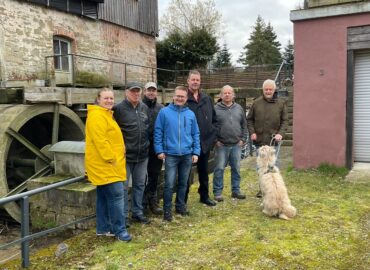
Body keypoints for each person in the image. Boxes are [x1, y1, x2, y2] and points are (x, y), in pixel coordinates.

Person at [85, 88, 131, 242]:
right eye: (106, 98)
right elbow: (101, 141)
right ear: (98, 99)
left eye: (111, 98)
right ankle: (120, 231)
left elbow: (110, 137)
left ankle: (103, 229)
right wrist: (112, 158)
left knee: (104, 198)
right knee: (117, 196)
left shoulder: (105, 115)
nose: (110, 101)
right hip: (107, 166)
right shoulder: (97, 116)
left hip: (108, 165)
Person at [154, 86, 201, 222]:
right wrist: (159, 150)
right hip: (171, 155)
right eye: (178, 96)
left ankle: (180, 206)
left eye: (183, 96)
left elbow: (195, 134)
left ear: (186, 98)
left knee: (183, 183)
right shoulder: (164, 112)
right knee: (169, 184)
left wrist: (196, 152)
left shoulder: (190, 114)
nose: (180, 98)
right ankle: (167, 210)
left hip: (187, 154)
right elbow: (158, 132)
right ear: (173, 97)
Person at [113, 82, 151, 225]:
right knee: (123, 188)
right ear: (126, 92)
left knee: (140, 185)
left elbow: (148, 129)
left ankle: (137, 212)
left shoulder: (144, 108)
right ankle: (123, 217)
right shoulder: (118, 109)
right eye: (133, 91)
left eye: (138, 91)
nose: (136, 94)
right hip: (125, 157)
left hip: (142, 155)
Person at [246, 79, 288, 197]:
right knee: (261, 167)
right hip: (259, 140)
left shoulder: (281, 103)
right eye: (266, 89)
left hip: (274, 140)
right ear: (263, 90)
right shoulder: (256, 103)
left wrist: (281, 133)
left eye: (270, 89)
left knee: (273, 166)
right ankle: (262, 189)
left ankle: (274, 189)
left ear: (274, 90)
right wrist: (252, 132)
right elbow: (249, 119)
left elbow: (285, 121)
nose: (268, 91)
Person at [186, 70, 217, 206]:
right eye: (193, 79)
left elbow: (214, 120)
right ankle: (183, 199)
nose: (195, 82)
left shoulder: (206, 99)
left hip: (204, 142)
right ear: (188, 81)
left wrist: (212, 136)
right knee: (186, 173)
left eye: (197, 80)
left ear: (200, 82)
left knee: (204, 172)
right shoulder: (184, 99)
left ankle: (204, 195)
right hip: (188, 143)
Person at [213, 85, 248, 202]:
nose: (227, 95)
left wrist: (243, 139)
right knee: (219, 169)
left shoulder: (239, 108)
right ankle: (217, 192)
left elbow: (244, 124)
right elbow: (211, 126)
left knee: (236, 168)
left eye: (229, 93)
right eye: (225, 93)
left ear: (233, 95)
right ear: (221, 95)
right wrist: (215, 140)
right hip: (221, 145)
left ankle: (236, 190)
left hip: (236, 144)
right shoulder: (215, 109)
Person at [142, 82, 164, 215]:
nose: (151, 92)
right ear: (144, 91)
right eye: (149, 90)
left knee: (154, 176)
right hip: (142, 148)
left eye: (153, 90)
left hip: (156, 148)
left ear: (156, 92)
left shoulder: (161, 108)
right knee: (141, 178)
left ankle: (153, 201)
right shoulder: (139, 107)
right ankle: (142, 204)